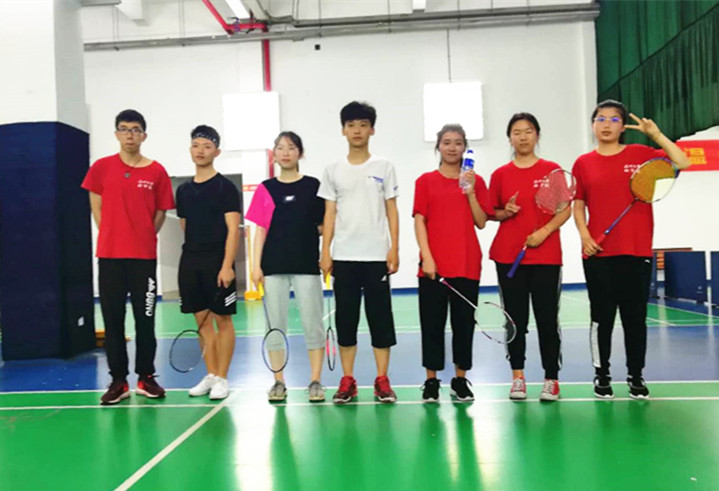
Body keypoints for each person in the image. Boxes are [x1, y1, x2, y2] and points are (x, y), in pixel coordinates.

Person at [572, 99, 691, 399]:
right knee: (601, 319)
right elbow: (579, 204)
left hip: (636, 252)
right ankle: (601, 375)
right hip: (598, 254)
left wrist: (656, 135)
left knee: (635, 319)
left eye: (614, 119)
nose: (606, 124)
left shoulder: (641, 155)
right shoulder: (583, 163)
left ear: (623, 126)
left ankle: (635, 376)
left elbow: (683, 162)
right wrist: (584, 236)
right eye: (600, 119)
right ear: (592, 125)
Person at [81, 109, 175, 405]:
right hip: (110, 258)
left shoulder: (157, 171)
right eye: (124, 129)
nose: (129, 134)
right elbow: (96, 205)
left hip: (143, 259)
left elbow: (160, 212)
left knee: (145, 320)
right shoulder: (101, 168)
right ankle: (118, 381)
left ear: (144, 135)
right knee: (113, 322)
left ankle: (146, 377)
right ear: (116, 134)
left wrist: (143, 235)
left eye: (135, 129)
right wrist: (112, 234)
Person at [318, 101, 400, 404]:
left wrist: (394, 247)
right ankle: (348, 380)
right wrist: (325, 252)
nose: (357, 130)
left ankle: (382, 380)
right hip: (344, 257)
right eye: (351, 125)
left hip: (376, 256)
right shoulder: (332, 170)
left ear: (372, 130)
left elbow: (392, 210)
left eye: (363, 125)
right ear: (343, 130)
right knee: (346, 321)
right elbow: (329, 214)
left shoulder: (384, 167)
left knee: (380, 320)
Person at [489, 113, 570, 402]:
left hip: (546, 257)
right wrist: (505, 212)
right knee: (515, 321)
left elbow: (565, 209)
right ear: (509, 138)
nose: (522, 137)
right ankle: (518, 377)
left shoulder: (552, 171)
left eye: (528, 131)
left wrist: (544, 232)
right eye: (516, 132)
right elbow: (490, 213)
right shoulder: (500, 175)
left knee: (547, 320)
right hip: (509, 258)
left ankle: (551, 379)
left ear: (537, 135)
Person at [413, 124, 492, 403]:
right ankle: (431, 381)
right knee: (432, 325)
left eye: (458, 142)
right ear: (438, 146)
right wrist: (427, 256)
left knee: (463, 325)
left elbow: (481, 222)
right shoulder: (425, 181)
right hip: (433, 267)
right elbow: (420, 220)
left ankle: (460, 380)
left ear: (465, 148)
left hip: (467, 264)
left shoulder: (476, 182)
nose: (452, 147)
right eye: (446, 142)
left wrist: (470, 192)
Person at [245, 131, 326, 402]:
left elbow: (324, 225)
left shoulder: (313, 186)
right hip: (273, 266)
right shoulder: (266, 188)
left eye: (291, 147)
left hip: (306, 265)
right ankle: (278, 381)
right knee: (275, 326)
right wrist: (255, 266)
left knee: (312, 323)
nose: (286, 152)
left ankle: (316, 380)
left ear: (300, 153)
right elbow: (260, 230)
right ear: (274, 155)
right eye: (280, 148)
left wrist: (325, 252)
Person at [176, 125, 241, 401]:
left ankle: (223, 378)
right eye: (196, 145)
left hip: (217, 261)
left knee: (222, 320)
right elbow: (185, 226)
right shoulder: (183, 190)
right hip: (191, 261)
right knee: (202, 321)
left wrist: (226, 265)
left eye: (206, 146)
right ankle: (211, 374)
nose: (200, 151)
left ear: (217, 151)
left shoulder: (226, 188)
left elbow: (233, 230)